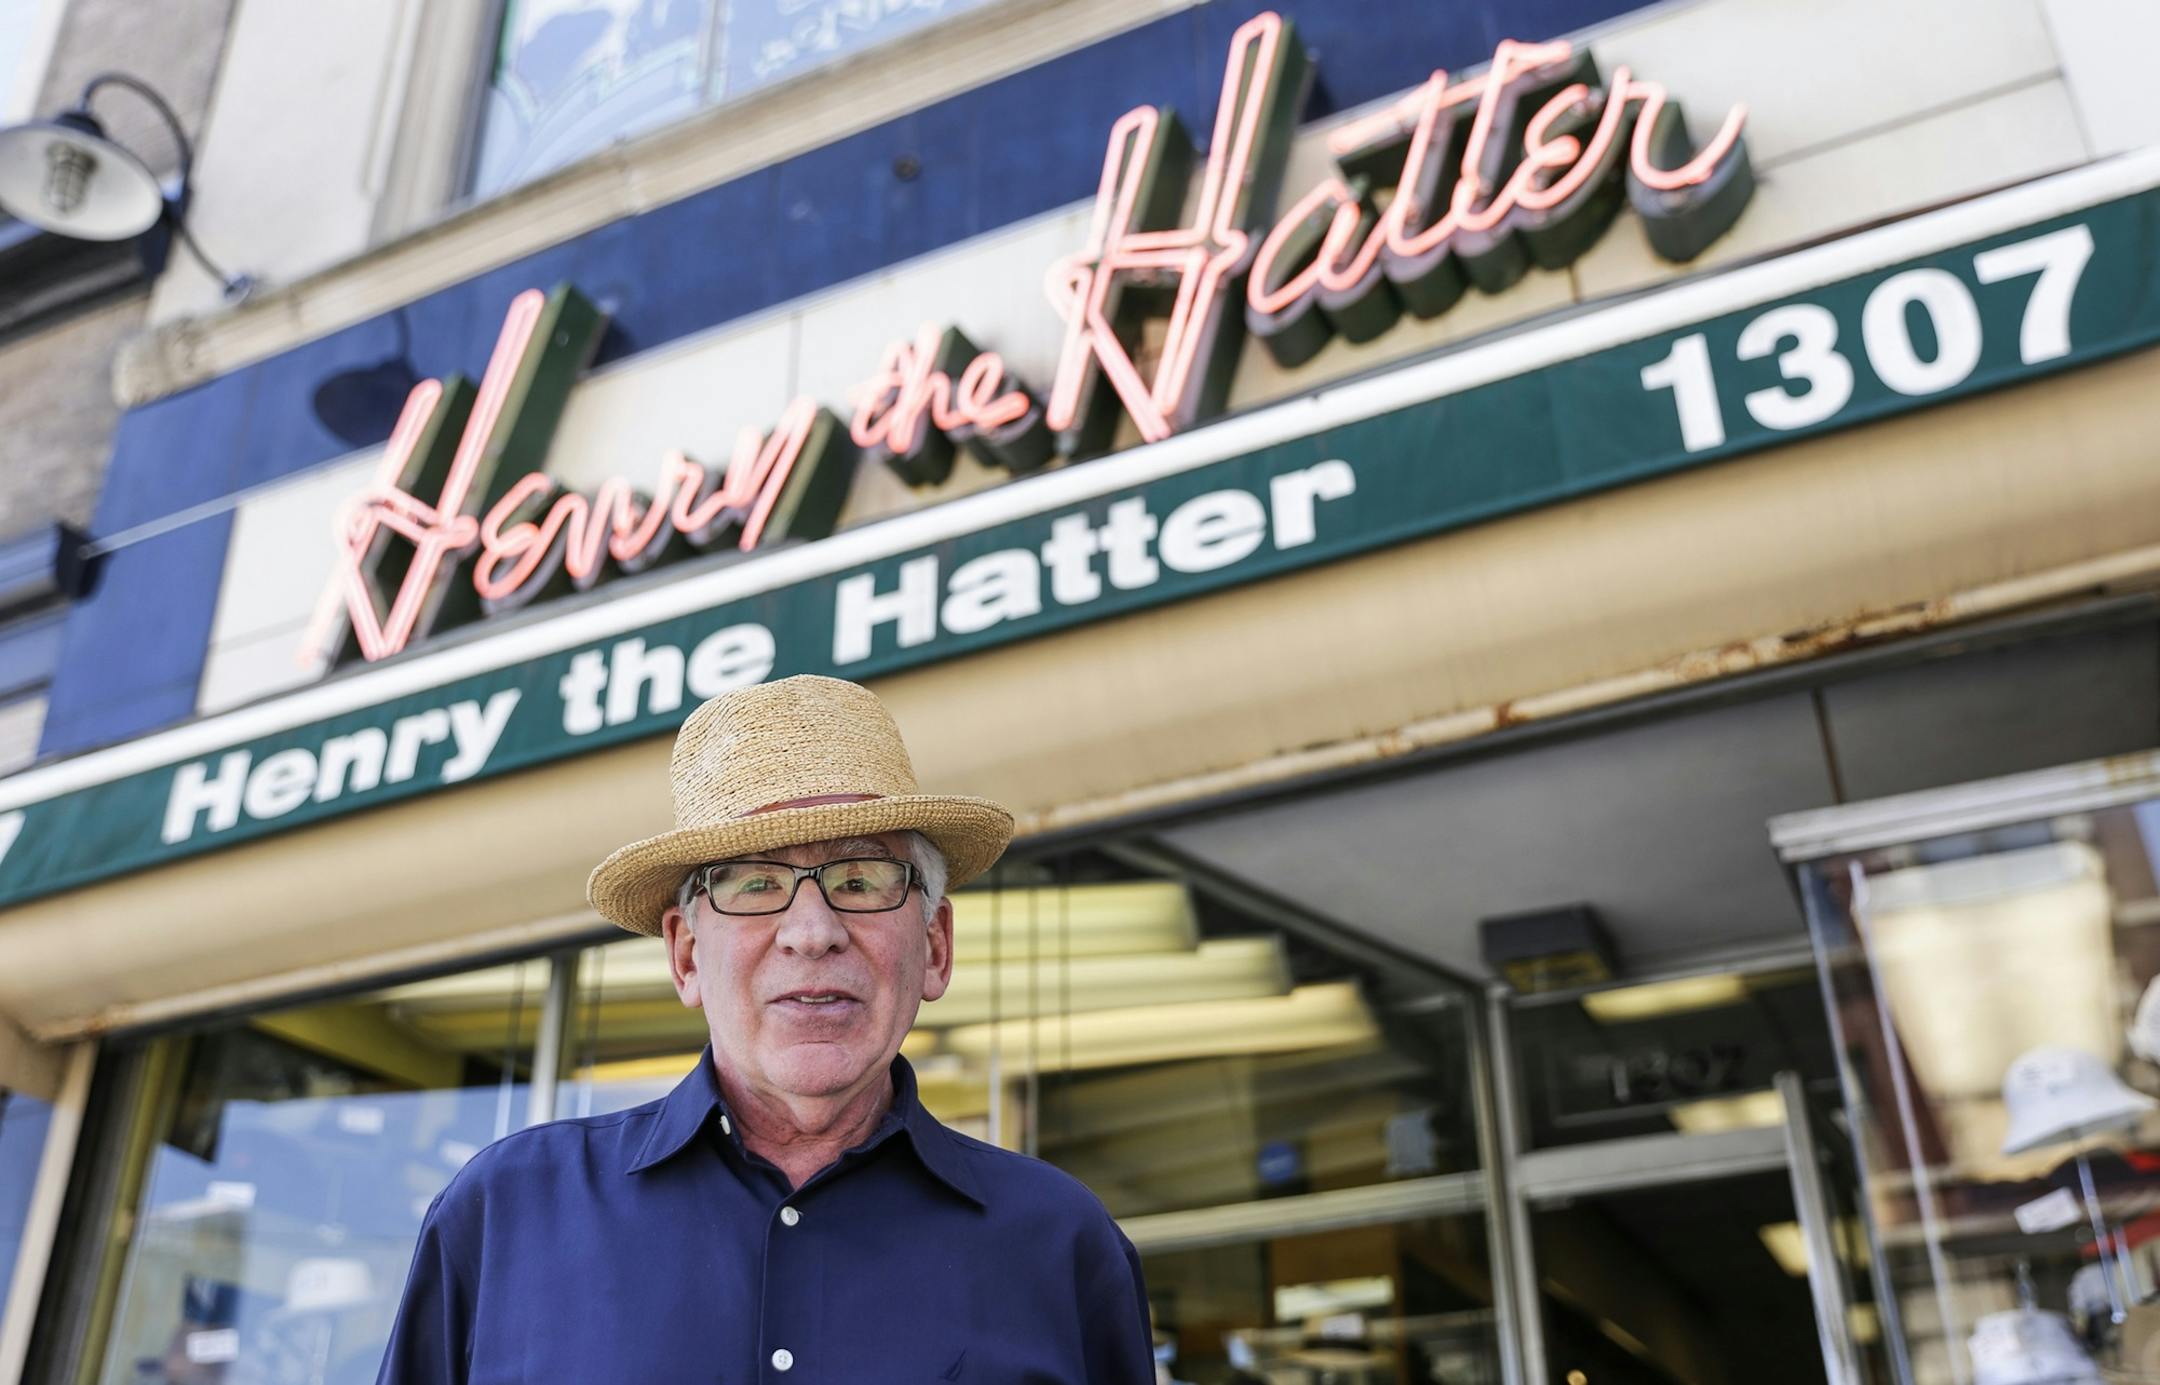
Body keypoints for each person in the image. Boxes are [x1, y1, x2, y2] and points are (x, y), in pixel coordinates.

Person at [376, 674, 1156, 1382]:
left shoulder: (1061, 1243)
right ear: (685, 953)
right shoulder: (506, 1213)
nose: (811, 930)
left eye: (860, 879)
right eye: (755, 884)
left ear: (936, 948)